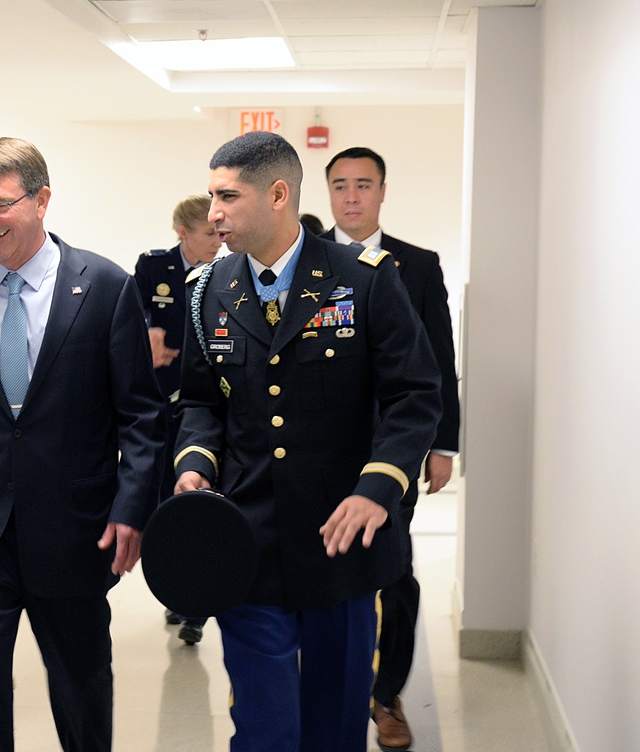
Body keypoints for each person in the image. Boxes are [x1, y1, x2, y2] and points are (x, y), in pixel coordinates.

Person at [0, 137, 166, 752]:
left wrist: (131, 509)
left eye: (0, 204)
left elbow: (141, 416)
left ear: (42, 200)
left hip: (74, 528)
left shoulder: (104, 286)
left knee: (80, 683)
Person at [173, 131, 441, 752]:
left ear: (277, 194)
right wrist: (194, 464)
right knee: (265, 729)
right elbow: (201, 402)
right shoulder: (210, 289)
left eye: (226, 196)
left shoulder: (365, 280)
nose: (213, 212)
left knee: (334, 727)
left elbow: (414, 394)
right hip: (247, 542)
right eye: (212, 196)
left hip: (342, 543)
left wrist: (379, 487)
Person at [323, 146, 460, 751]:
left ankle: (386, 696)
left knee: (394, 573)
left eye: (364, 185)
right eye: (341, 185)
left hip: (393, 450)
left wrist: (442, 444)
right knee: (325, 569)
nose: (352, 196)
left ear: (382, 192)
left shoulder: (417, 265)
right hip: (320, 451)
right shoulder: (305, 260)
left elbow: (437, 359)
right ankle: (331, 686)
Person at [133, 194, 221, 645]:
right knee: (166, 501)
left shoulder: (225, 271)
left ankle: (194, 607)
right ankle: (177, 589)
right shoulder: (154, 267)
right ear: (184, 233)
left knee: (199, 500)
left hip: (206, 410)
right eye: (208, 233)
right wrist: (147, 329)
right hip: (161, 406)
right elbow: (134, 310)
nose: (216, 241)